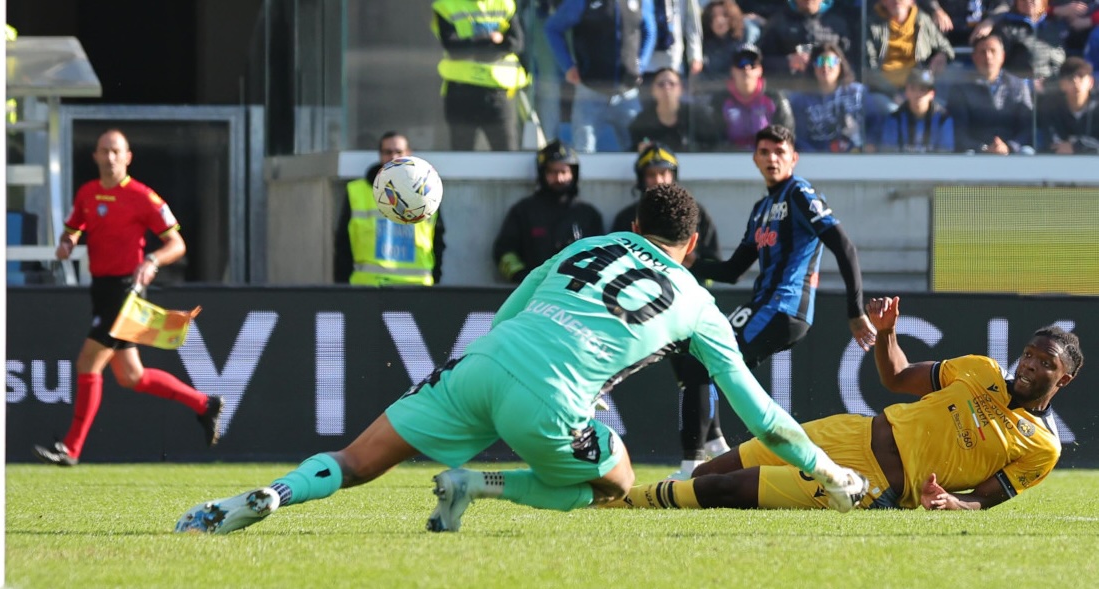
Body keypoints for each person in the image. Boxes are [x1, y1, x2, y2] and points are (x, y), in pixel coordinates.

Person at [174, 183, 870, 536]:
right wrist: (828, 471)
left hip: (482, 364)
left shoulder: (585, 245)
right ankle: (479, 484)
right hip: (551, 401)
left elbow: (507, 316)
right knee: (616, 482)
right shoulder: (698, 302)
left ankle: (269, 496)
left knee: (355, 461)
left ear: (634, 227)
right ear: (691, 246)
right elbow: (762, 417)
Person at [607, 297, 1083, 511]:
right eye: (1029, 354)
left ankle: (619, 500)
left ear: (1064, 378)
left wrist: (953, 504)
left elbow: (987, 497)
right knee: (712, 472)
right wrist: (887, 334)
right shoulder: (980, 370)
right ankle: (622, 502)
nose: (1029, 365)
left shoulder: (1042, 447)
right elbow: (896, 377)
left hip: (869, 483)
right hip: (847, 432)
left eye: (1045, 363)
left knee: (728, 489)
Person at [32, 130, 223, 467]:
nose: (110, 157)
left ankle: (71, 449)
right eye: (104, 151)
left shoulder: (143, 197)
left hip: (126, 291)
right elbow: (73, 228)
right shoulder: (87, 193)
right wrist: (67, 243)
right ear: (95, 156)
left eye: (116, 151)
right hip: (101, 289)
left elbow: (177, 244)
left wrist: (152, 261)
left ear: (128, 157)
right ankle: (204, 404)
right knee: (131, 376)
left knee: (88, 363)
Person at [688, 125, 875, 454]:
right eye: (765, 152)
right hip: (766, 306)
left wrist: (855, 310)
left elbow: (844, 246)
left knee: (706, 359)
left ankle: (697, 460)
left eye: (780, 152)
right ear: (755, 159)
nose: (772, 159)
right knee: (707, 361)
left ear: (794, 159)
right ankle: (726, 448)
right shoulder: (761, 209)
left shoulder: (799, 194)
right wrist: (688, 262)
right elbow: (733, 271)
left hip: (783, 307)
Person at [610, 144, 727, 479]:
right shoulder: (627, 217)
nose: (659, 180)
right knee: (691, 376)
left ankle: (698, 458)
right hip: (643, 310)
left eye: (664, 173)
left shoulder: (694, 213)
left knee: (696, 373)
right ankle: (715, 444)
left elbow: (715, 265)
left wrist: (689, 266)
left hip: (685, 308)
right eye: (652, 174)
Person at [334, 132, 445, 286]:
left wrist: (435, 281)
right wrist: (342, 287)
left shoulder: (428, 192)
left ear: (409, 154)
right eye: (388, 152)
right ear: (380, 155)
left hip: (417, 288)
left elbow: (438, 241)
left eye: (399, 152)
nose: (393, 157)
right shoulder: (357, 191)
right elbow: (343, 244)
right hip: (370, 287)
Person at [545, 0, 656, 152]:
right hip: (590, 92)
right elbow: (553, 28)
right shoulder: (582, 2)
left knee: (638, 149)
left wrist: (640, 65)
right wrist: (568, 66)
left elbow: (650, 31)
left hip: (627, 93)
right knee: (584, 151)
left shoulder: (641, 2)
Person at [492, 140, 603, 283]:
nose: (559, 178)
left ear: (573, 174)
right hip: (534, 290)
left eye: (564, 172)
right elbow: (504, 252)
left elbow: (601, 257)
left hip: (574, 291)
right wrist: (522, 277)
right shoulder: (523, 211)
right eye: (552, 172)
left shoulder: (588, 215)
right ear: (542, 173)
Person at [431, 0, 528, 151]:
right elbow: (454, 48)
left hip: (498, 91)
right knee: (461, 155)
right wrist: (491, 40)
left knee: (507, 154)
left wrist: (474, 45)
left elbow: (516, 43)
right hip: (461, 91)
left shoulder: (505, 4)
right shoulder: (446, 5)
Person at [945, 34, 1036, 154]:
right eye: (983, 52)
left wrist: (1009, 147)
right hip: (976, 152)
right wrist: (984, 149)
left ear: (1002, 56)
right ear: (974, 57)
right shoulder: (960, 88)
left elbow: (1028, 128)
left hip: (1011, 152)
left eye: (993, 51)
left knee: (1027, 153)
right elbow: (959, 132)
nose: (988, 56)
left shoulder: (1019, 86)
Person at [695, 44, 795, 151]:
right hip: (729, 158)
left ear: (760, 70)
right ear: (732, 70)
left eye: (752, 64)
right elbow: (714, 142)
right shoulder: (719, 101)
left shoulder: (775, 98)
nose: (746, 68)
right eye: (741, 63)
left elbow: (786, 138)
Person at [789, 43, 881, 153]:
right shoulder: (800, 100)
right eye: (820, 61)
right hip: (816, 159)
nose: (825, 66)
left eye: (831, 61)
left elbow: (876, 123)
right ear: (813, 66)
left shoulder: (858, 93)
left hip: (857, 156)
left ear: (840, 65)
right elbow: (799, 138)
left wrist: (869, 145)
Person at [862, 0, 955, 102]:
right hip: (884, 92)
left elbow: (945, 47)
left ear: (912, 1)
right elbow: (869, 69)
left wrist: (942, 55)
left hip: (919, 88)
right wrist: (893, 95)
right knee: (888, 107)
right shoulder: (870, 23)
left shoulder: (922, 20)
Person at [757, 0, 854, 89]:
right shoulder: (778, 22)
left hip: (832, 91)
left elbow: (850, 61)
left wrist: (830, 62)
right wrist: (788, 62)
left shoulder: (837, 25)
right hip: (790, 89)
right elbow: (760, 63)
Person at [876, 69, 956, 152]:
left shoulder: (943, 119)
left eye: (922, 90)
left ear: (931, 94)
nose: (918, 94)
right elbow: (889, 152)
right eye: (913, 89)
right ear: (906, 92)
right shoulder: (895, 119)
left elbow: (945, 153)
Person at [628, 68, 703, 152]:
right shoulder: (641, 122)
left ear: (681, 89)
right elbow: (632, 150)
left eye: (672, 83)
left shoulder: (696, 116)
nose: (667, 87)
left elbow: (711, 145)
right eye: (661, 84)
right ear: (652, 90)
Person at [695, 0, 761, 95]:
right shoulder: (704, 45)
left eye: (725, 15)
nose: (719, 20)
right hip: (714, 93)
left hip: (744, 92)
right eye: (713, 16)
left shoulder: (747, 35)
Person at [1037, 57, 1099, 154]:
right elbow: (1053, 144)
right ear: (1062, 84)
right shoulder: (1051, 107)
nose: (1075, 82)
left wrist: (1077, 146)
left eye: (1081, 76)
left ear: (1091, 82)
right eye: (1070, 78)